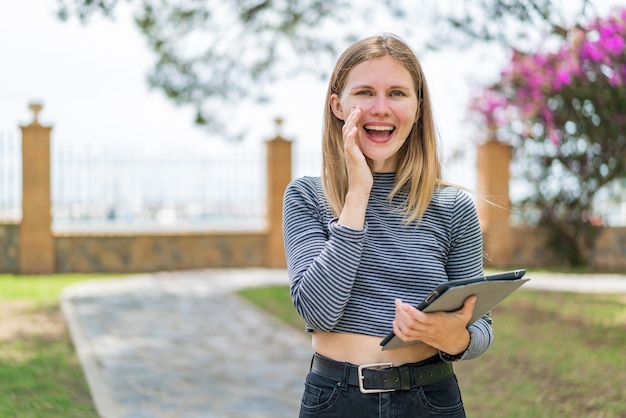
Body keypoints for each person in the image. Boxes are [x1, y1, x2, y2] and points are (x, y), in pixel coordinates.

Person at [282, 33, 492, 417]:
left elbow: (481, 330)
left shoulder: (452, 206)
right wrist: (357, 194)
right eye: (364, 92)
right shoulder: (306, 197)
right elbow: (317, 312)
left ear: (417, 106)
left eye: (397, 93)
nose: (381, 108)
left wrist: (457, 338)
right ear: (338, 106)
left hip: (431, 399)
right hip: (335, 400)